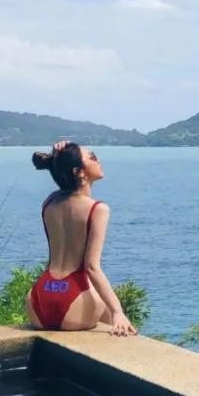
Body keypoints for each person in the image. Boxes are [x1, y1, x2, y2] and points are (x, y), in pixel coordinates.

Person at [25, 140, 137, 337]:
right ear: (79, 172)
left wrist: (60, 157)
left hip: (40, 297)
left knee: (99, 301)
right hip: (75, 297)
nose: (98, 160)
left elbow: (63, 177)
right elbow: (92, 267)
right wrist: (117, 312)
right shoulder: (98, 209)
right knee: (110, 311)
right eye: (92, 157)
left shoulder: (50, 202)